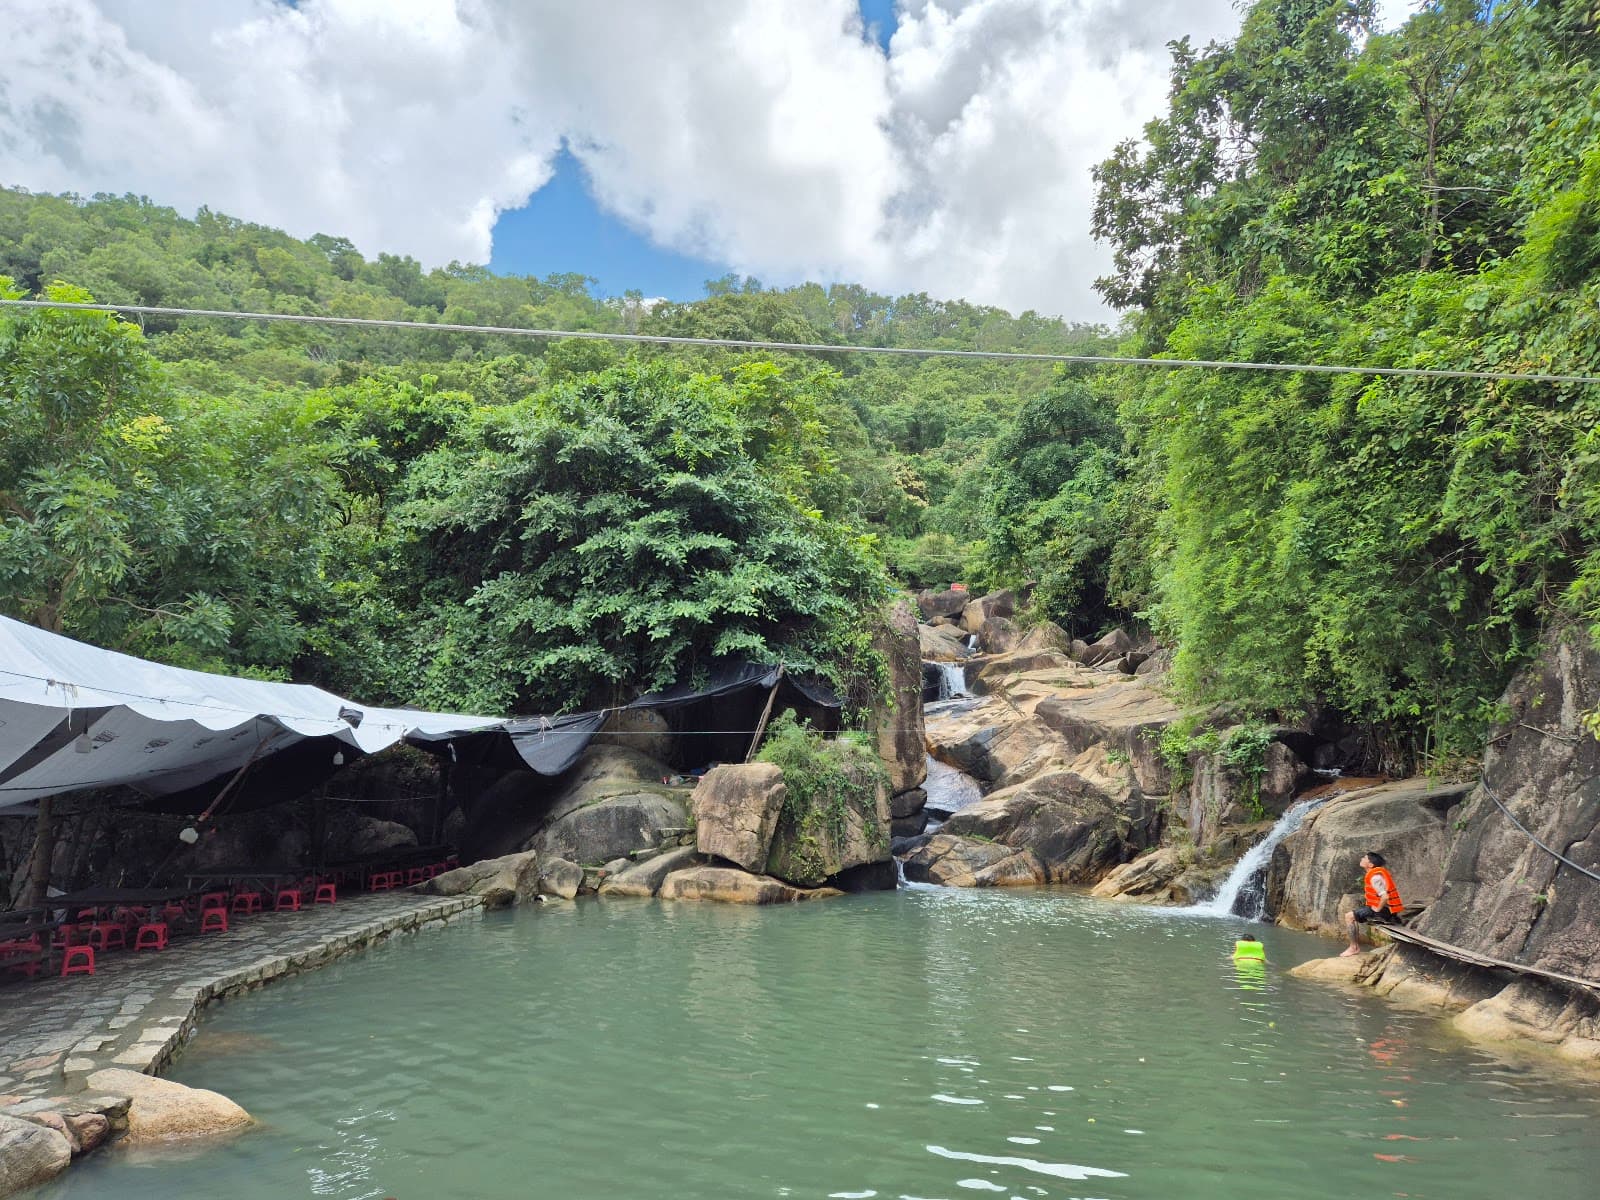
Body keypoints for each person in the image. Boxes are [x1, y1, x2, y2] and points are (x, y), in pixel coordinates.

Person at [1341, 850, 1404, 956]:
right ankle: (1354, 947)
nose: (1362, 859)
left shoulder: (1375, 877)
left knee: (1349, 916)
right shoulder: (1375, 874)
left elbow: (1385, 897)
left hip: (1383, 910)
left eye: (1364, 858)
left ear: (1370, 864)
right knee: (1352, 915)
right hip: (1386, 910)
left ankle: (1353, 948)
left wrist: (1377, 909)